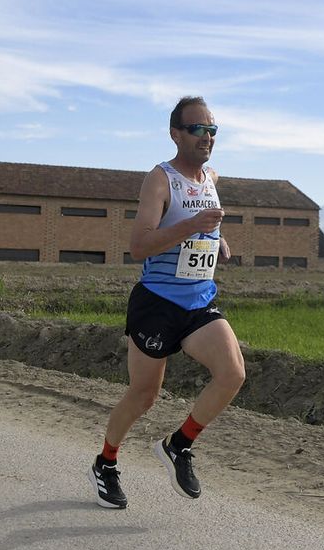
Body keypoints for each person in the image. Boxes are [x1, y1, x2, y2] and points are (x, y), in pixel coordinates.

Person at [89, 96, 246, 510]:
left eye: (212, 129)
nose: (206, 137)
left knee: (232, 374)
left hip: (198, 302)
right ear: (176, 133)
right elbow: (139, 245)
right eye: (197, 129)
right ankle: (105, 463)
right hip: (157, 302)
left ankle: (179, 445)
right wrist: (193, 225)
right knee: (144, 396)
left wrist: (217, 240)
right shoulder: (160, 180)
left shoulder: (211, 176)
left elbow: (203, 225)